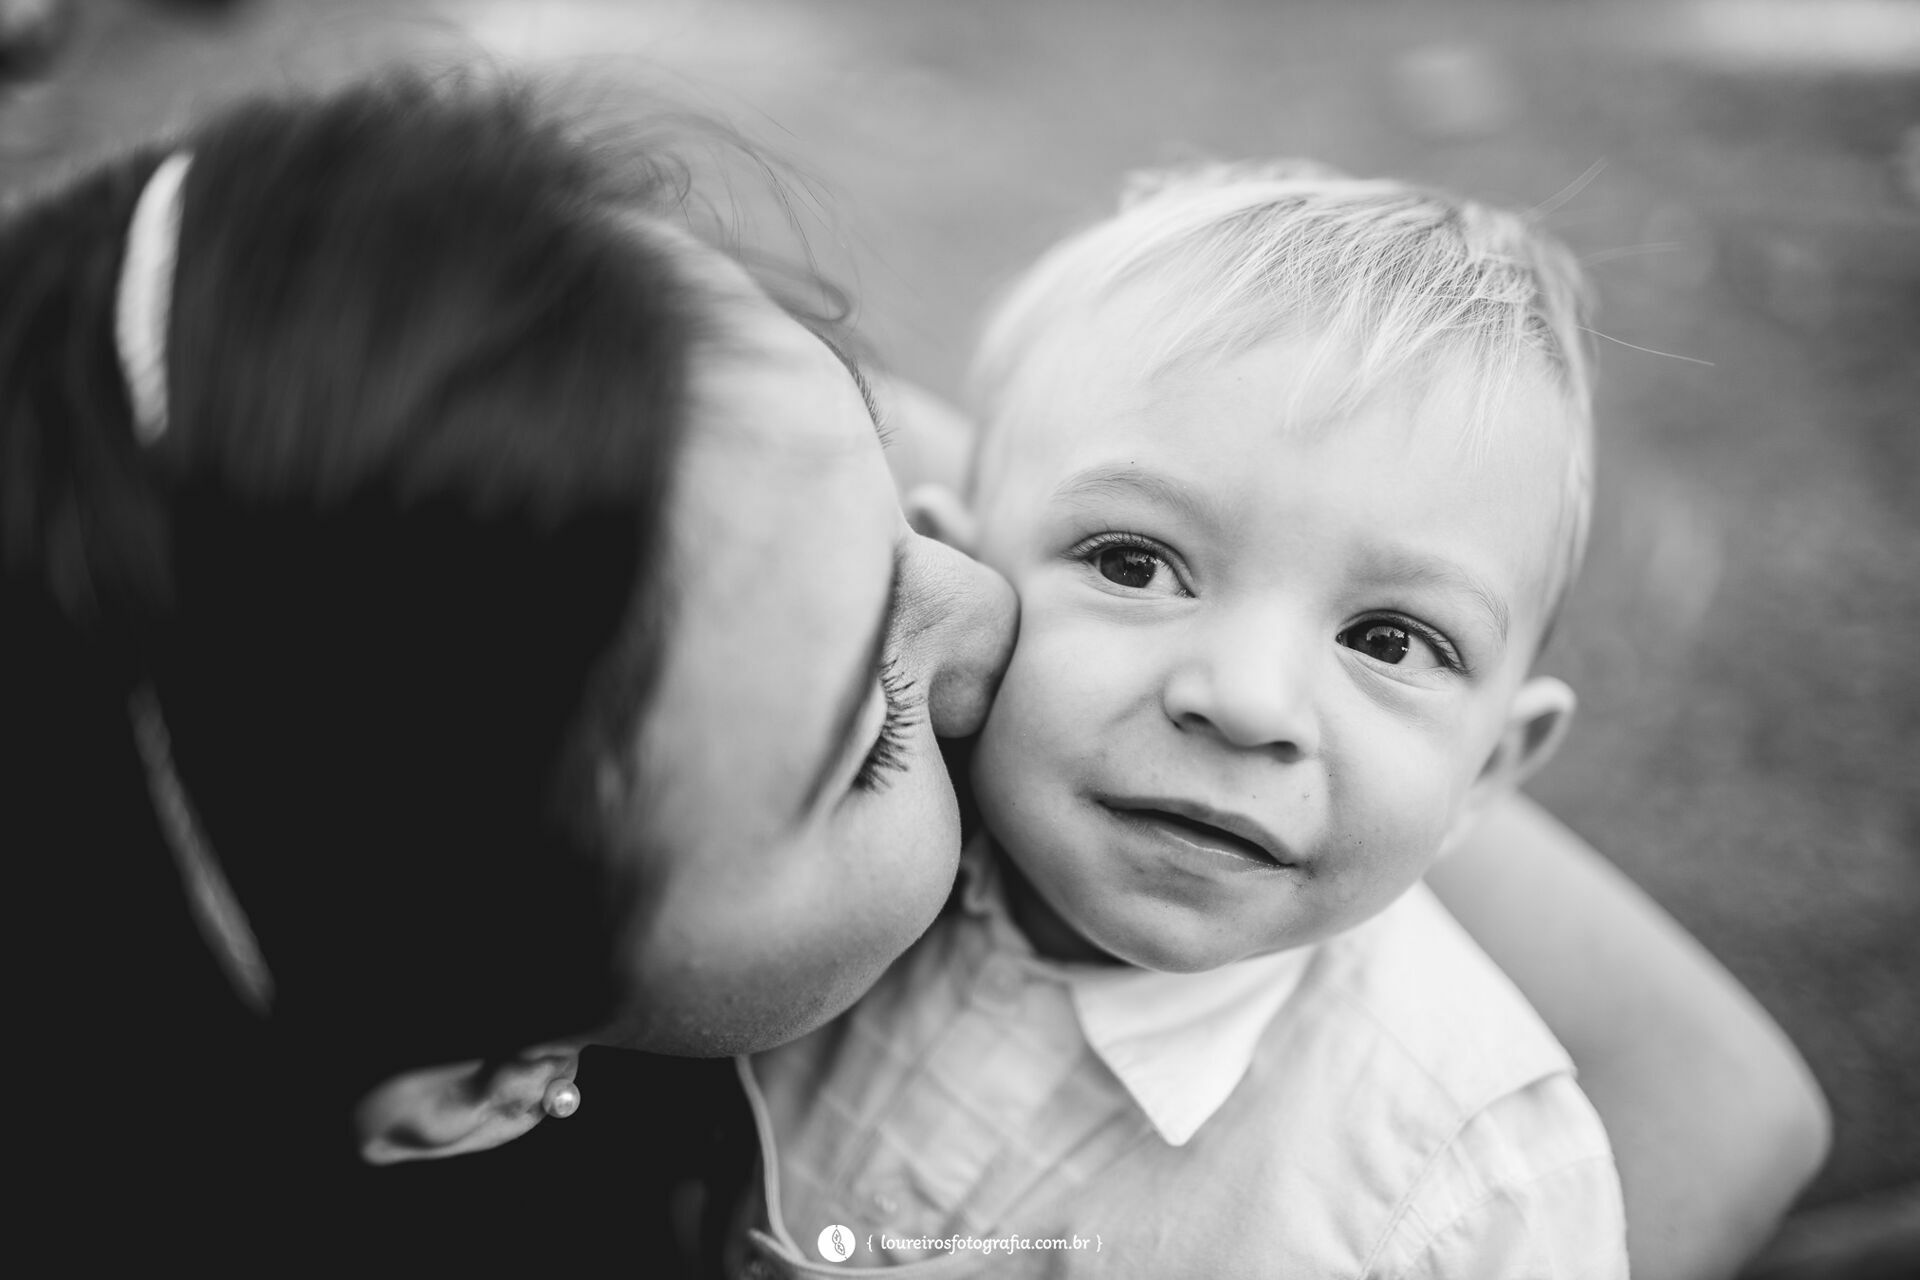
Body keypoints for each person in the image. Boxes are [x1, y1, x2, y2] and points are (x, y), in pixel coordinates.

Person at [4, 74, 1821, 1274]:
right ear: (489, 1079)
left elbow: (1721, 1101)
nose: (982, 615)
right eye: (864, 735)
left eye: (896, 501)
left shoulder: (631, 442)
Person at [735, 163, 1663, 1277]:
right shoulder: (789, 828)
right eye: (1135, 563)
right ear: (961, 587)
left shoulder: (1474, 1196)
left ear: (1489, 769)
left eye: (1388, 640)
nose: (1247, 700)